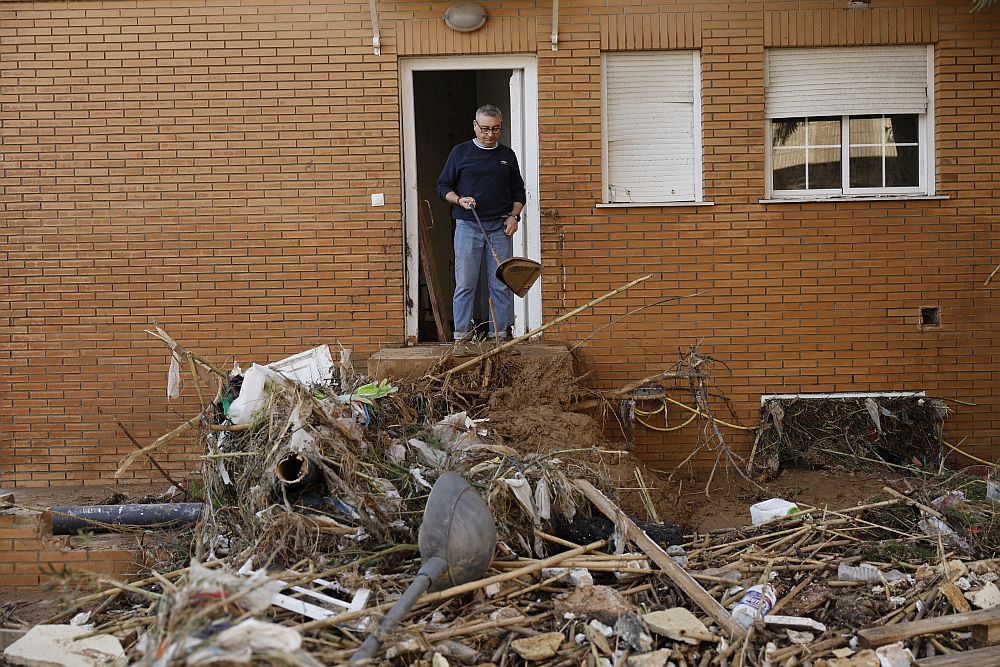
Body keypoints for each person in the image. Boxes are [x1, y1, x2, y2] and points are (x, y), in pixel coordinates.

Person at [437, 104, 527, 341]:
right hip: (468, 226)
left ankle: (499, 336)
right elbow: (443, 187)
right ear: (475, 126)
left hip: (500, 227)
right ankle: (462, 338)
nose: (490, 135)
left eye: (496, 129)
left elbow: (519, 191)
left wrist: (514, 216)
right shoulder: (460, 152)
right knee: (466, 283)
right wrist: (459, 200)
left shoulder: (507, 155)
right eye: (485, 129)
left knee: (500, 284)